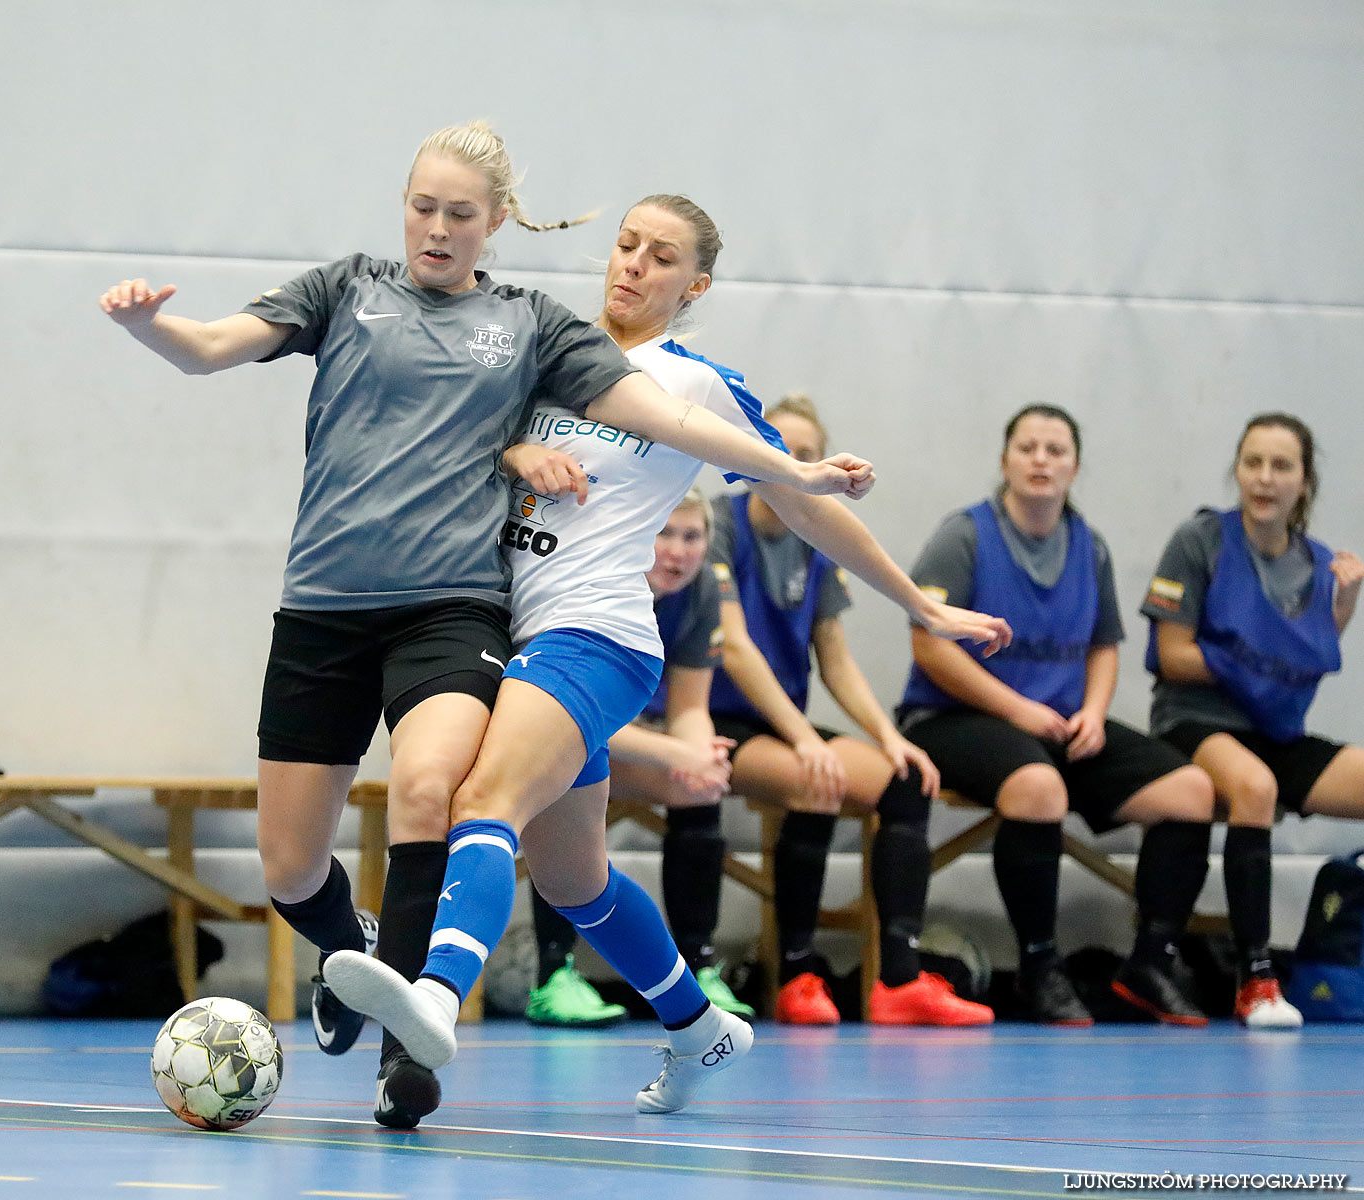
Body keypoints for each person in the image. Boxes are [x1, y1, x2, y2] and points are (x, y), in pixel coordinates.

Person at [99, 126, 873, 1130]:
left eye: (461, 213)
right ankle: (676, 1019)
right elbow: (208, 349)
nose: (437, 227)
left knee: (442, 794)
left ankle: (409, 1058)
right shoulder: (347, 290)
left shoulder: (535, 328)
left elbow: (668, 423)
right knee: (313, 865)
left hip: (459, 608)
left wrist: (789, 470)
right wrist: (150, 327)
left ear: (497, 223)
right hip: (325, 608)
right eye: (423, 205)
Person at [323, 194, 1010, 1116]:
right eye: (625, 244)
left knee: (481, 800)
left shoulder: (689, 383)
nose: (634, 265)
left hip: (596, 635)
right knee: (575, 879)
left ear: (697, 284)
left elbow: (805, 503)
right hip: (510, 633)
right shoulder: (543, 347)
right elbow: (454, 447)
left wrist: (921, 603)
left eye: (661, 256)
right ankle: (697, 1026)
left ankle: (436, 998)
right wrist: (516, 451)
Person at [898, 404, 1217, 1026]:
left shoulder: (1088, 545)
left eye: (1056, 450)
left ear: (1074, 467)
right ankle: (1039, 967)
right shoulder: (964, 535)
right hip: (950, 718)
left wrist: (1095, 712)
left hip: (1060, 723)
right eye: (1028, 448)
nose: (1041, 460)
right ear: (1005, 460)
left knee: (1190, 790)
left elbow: (1104, 644)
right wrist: (1019, 710)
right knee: (1039, 787)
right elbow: (928, 642)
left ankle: (1151, 960)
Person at [706, 394, 994, 1026]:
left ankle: (898, 978)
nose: (787, 458)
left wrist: (890, 737)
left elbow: (833, 658)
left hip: (784, 723)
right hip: (712, 716)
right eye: (775, 443)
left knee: (905, 778)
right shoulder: (721, 524)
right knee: (814, 779)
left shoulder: (814, 538)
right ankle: (799, 972)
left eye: (804, 452)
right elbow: (735, 650)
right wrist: (803, 738)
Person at [1141, 412, 1364, 1028]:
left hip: (1276, 728)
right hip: (1194, 722)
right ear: (1237, 470)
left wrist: (1342, 605)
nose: (1264, 479)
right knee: (1256, 786)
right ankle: (1257, 977)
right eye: (1253, 463)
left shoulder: (1321, 566)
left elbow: (1307, 658)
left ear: (1305, 481)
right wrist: (1257, 663)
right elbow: (1173, 654)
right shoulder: (1200, 542)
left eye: (1281, 466)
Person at [523, 490, 739, 1028]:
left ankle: (697, 965)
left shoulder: (701, 589)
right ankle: (553, 975)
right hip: (554, 724)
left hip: (625, 735)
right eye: (665, 534)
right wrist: (676, 751)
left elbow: (690, 705)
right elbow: (577, 713)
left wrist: (699, 756)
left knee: (698, 788)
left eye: (692, 537)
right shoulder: (602, 582)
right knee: (565, 773)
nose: (678, 552)